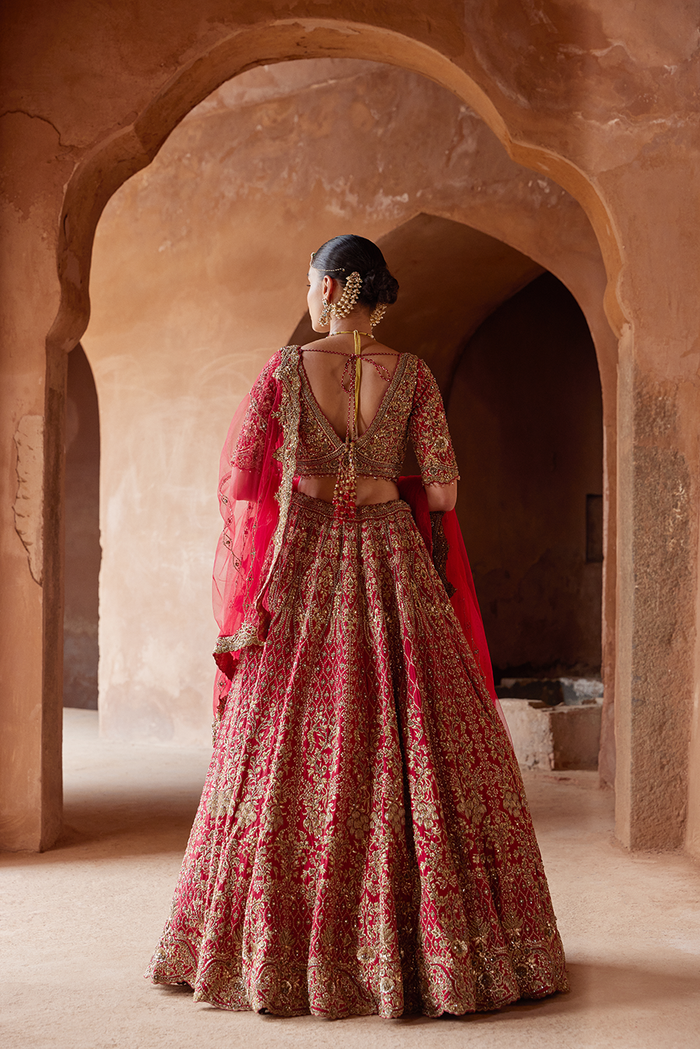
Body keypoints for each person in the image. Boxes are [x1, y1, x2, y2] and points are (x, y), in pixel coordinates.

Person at [146, 234, 568, 1018]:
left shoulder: (283, 370)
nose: (308, 297)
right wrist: (386, 474)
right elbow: (442, 494)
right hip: (393, 559)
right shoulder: (411, 375)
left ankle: (272, 954)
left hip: (304, 558)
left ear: (335, 286)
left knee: (282, 746)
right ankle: (438, 954)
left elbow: (241, 478)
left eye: (311, 283)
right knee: (420, 740)